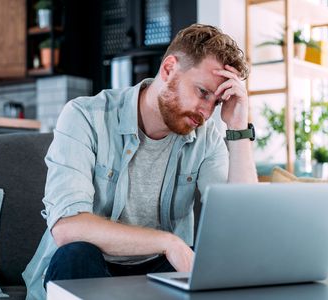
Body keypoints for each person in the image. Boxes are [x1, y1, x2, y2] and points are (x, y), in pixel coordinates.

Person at [22, 23, 258, 299]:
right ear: (169, 69)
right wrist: (168, 243)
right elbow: (68, 228)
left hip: (158, 270)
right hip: (92, 265)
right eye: (203, 92)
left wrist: (239, 128)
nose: (206, 112)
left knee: (214, 264)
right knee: (76, 254)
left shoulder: (207, 137)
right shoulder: (84, 116)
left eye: (216, 103)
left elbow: (242, 229)